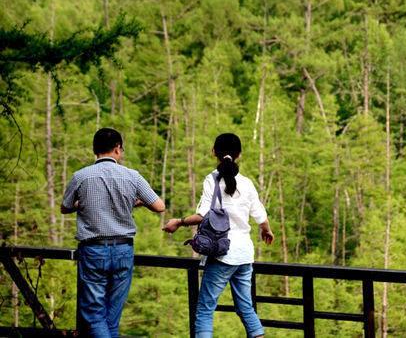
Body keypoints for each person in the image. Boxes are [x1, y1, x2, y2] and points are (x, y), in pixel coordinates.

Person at [163, 133, 274, 338]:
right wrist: (266, 230)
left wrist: (178, 223)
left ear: (214, 152)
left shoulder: (212, 179)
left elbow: (202, 215)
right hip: (245, 255)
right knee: (246, 308)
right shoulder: (247, 183)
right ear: (239, 154)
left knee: (205, 309)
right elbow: (260, 216)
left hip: (223, 254)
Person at [61, 128, 165, 337]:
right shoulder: (132, 176)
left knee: (94, 316)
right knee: (111, 317)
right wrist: (132, 202)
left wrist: (85, 203)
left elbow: (65, 207)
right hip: (123, 250)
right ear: (118, 149)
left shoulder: (81, 176)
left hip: (93, 251)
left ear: (94, 150)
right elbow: (159, 206)